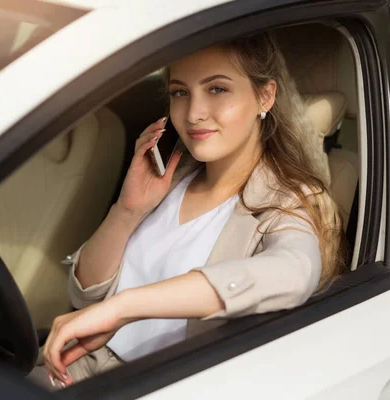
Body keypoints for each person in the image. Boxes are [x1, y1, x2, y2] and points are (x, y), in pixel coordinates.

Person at [37, 32, 346, 388]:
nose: (194, 114)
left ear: (265, 95)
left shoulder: (288, 202)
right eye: (180, 92)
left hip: (152, 386)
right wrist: (127, 210)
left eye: (217, 89)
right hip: (69, 371)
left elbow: (295, 272)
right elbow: (85, 295)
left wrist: (122, 309)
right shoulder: (172, 174)